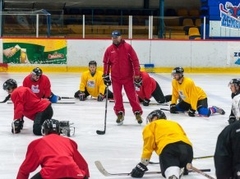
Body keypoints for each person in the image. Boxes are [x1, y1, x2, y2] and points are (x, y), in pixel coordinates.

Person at [16, 119, 90, 179]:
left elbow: (24, 169)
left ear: (44, 131)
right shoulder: (69, 142)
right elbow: (83, 165)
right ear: (59, 131)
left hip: (51, 173)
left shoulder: (37, 143)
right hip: (74, 173)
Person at [130, 110, 193, 179]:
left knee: (171, 170)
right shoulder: (175, 123)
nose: (150, 121)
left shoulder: (151, 125)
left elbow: (148, 145)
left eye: (151, 118)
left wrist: (143, 164)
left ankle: (173, 173)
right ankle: (183, 167)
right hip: (188, 149)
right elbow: (184, 136)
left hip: (169, 148)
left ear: (156, 117)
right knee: (181, 163)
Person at [102, 30, 143, 125]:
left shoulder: (128, 48)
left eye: (116, 37)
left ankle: (137, 112)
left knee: (132, 96)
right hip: (116, 78)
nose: (115, 39)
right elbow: (106, 63)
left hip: (128, 77)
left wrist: (136, 74)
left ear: (121, 37)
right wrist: (106, 75)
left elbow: (135, 61)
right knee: (117, 96)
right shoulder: (109, 50)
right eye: (113, 37)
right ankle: (119, 113)